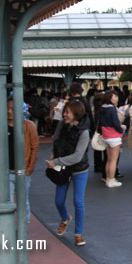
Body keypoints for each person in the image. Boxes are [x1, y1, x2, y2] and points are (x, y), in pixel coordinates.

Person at [47, 100, 90, 246]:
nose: (64, 114)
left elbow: (78, 156)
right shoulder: (61, 125)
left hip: (79, 168)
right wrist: (54, 154)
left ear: (76, 114)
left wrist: (56, 161)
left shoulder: (84, 132)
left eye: (67, 112)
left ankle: (78, 233)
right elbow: (56, 140)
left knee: (78, 201)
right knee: (59, 200)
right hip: (64, 169)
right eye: (65, 111)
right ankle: (65, 218)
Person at [7, 97, 39, 224]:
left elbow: (34, 147)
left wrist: (30, 168)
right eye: (7, 108)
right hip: (7, 171)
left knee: (23, 201)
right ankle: (9, 227)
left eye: (12, 108)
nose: (9, 111)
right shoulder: (1, 126)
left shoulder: (29, 126)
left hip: (23, 170)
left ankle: (23, 229)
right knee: (8, 202)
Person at [99, 90, 125, 188]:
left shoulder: (103, 108)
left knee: (109, 159)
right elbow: (115, 122)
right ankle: (111, 180)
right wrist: (121, 129)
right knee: (113, 160)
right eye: (115, 96)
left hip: (105, 135)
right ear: (110, 98)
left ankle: (108, 178)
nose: (117, 98)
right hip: (114, 136)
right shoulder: (112, 109)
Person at [69, 82, 97, 172]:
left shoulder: (70, 102)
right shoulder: (84, 102)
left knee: (72, 149)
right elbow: (90, 116)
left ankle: (72, 166)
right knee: (83, 149)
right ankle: (82, 167)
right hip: (84, 128)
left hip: (71, 129)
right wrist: (93, 130)